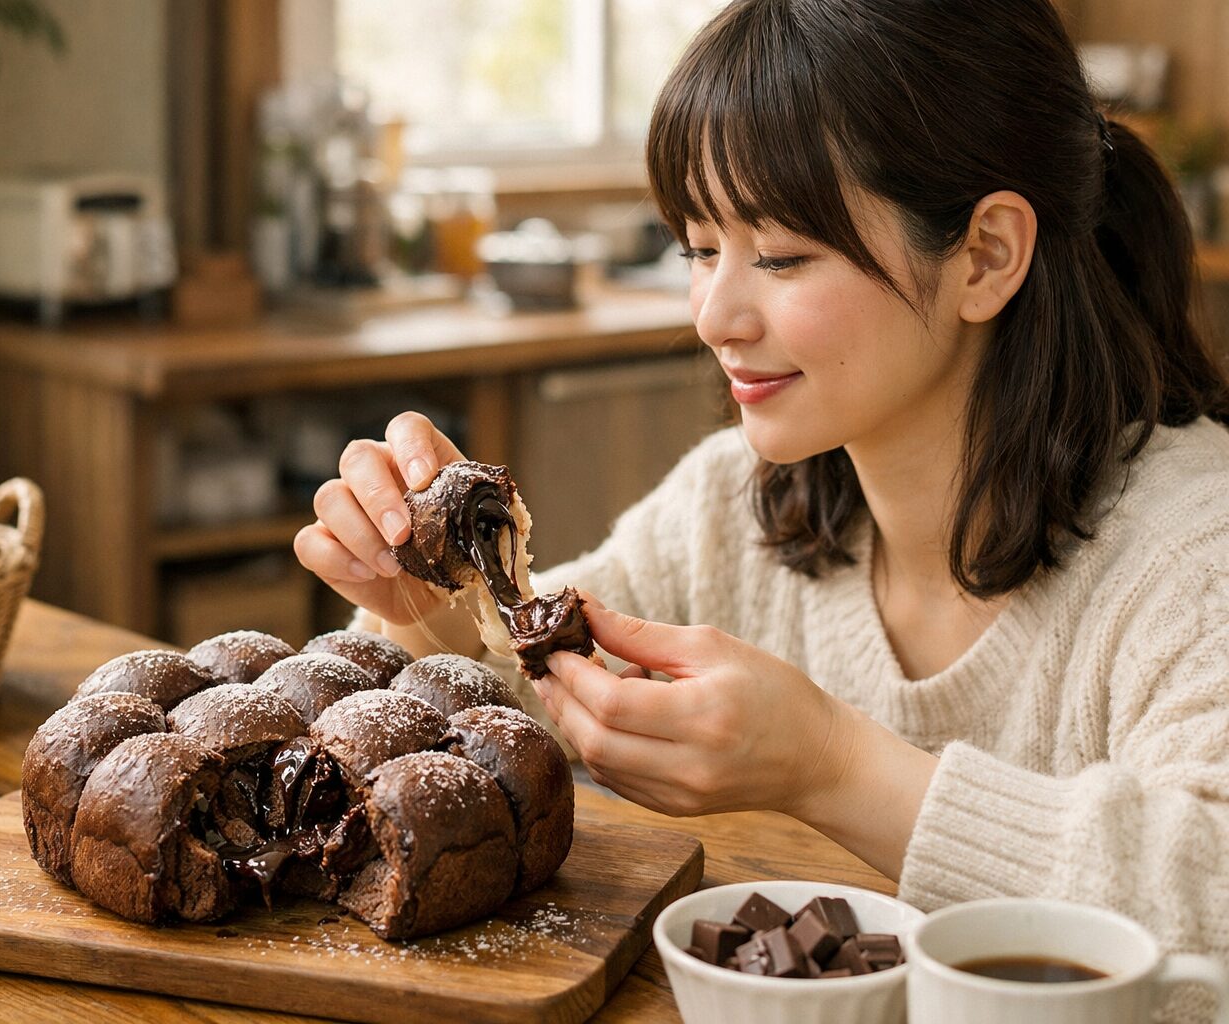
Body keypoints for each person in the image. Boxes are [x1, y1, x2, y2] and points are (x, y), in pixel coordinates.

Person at [295, 1, 1229, 1017]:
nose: (715, 315)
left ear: (987, 254)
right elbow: (499, 732)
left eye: (780, 257)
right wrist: (427, 614)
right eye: (701, 248)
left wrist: (831, 768)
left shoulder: (1195, 546)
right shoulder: (730, 508)